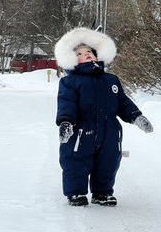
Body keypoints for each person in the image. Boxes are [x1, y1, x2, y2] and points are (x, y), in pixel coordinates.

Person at [54, 27, 153, 207]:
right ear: (72, 59)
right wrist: (66, 122)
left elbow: (122, 102)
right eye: (80, 53)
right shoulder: (70, 82)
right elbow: (66, 103)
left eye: (90, 51)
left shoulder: (111, 80)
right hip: (81, 133)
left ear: (98, 54)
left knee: (108, 163)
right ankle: (76, 193)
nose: (87, 54)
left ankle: (103, 193)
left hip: (110, 133)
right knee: (76, 163)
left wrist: (136, 117)